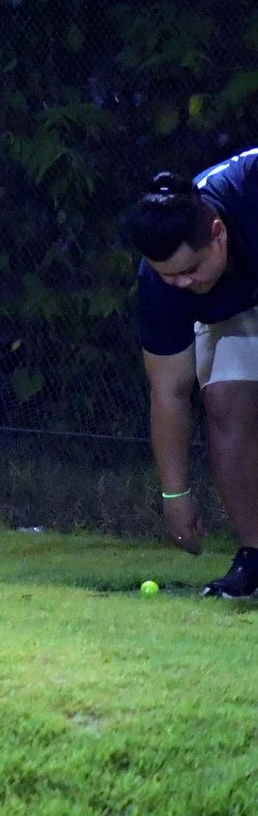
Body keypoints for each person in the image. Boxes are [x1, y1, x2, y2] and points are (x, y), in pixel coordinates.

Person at [126, 155, 258, 597]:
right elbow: (169, 392)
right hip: (233, 310)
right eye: (169, 275)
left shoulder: (249, 194)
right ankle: (256, 554)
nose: (180, 283)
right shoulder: (160, 286)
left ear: (218, 234)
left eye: (190, 270)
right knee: (224, 400)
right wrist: (175, 495)